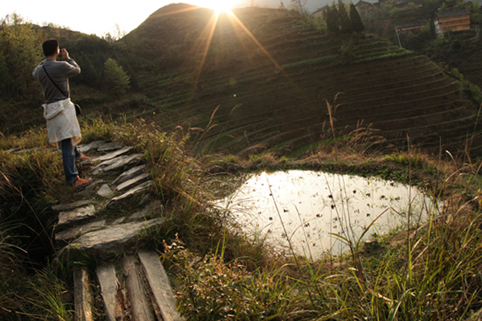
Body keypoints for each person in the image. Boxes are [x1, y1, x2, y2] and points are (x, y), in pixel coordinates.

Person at [32, 39, 92, 189]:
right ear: (57, 50)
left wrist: (46, 59)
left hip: (50, 109)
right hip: (63, 107)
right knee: (66, 141)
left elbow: (34, 71)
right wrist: (67, 57)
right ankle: (72, 179)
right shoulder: (61, 66)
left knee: (67, 135)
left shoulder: (40, 70)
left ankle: (77, 155)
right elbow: (77, 69)